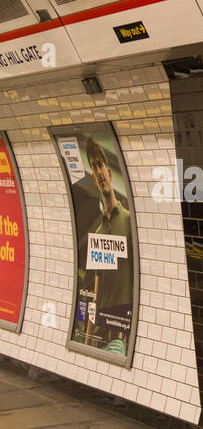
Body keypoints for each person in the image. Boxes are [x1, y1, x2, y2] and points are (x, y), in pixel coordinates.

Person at [72, 136, 134, 353]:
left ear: (109, 173)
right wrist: (87, 341)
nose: (98, 173)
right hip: (100, 329)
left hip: (121, 333)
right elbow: (96, 289)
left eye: (100, 165)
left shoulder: (128, 221)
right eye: (93, 167)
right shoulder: (98, 232)